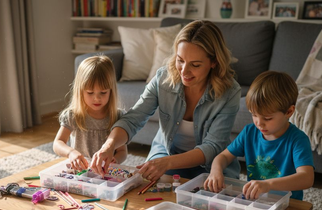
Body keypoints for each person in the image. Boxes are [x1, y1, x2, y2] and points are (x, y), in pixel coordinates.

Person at [90, 20, 241, 181]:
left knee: (216, 199)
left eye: (195, 65)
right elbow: (134, 118)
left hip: (211, 163)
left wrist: (167, 163)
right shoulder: (163, 78)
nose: (184, 71)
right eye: (180, 60)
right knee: (147, 188)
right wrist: (108, 146)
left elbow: (212, 147)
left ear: (214, 62)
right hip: (167, 152)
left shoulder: (229, 92)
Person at [204, 71, 322, 210]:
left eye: (267, 118)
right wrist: (216, 171)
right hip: (254, 206)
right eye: (254, 114)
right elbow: (221, 157)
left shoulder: (297, 139)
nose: (259, 123)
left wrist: (268, 185)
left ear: (289, 111)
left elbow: (307, 177)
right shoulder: (250, 132)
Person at [53, 55, 127, 171]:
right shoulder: (73, 115)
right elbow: (58, 143)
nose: (96, 98)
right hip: (80, 172)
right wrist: (71, 153)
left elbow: (122, 151)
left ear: (111, 91)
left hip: (105, 173)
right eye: (90, 92)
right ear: (80, 90)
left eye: (103, 92)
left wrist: (115, 159)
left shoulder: (117, 117)